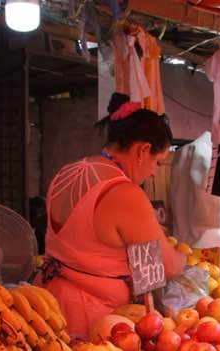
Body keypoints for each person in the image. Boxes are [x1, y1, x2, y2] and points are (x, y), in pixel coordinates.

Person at [40, 94, 185, 337]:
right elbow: (166, 268)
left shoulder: (67, 172)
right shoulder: (125, 194)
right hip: (94, 324)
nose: (152, 173)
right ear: (143, 150)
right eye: (157, 163)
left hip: (51, 307)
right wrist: (181, 259)